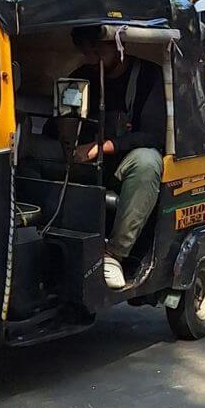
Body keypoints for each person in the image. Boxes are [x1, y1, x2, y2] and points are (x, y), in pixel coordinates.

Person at [66, 26, 166, 292]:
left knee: (148, 162)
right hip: (83, 160)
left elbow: (153, 135)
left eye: (97, 49)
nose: (91, 57)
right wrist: (65, 127)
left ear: (117, 46)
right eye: (85, 51)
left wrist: (104, 146)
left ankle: (114, 254)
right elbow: (60, 124)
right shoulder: (82, 76)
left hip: (122, 163)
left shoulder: (147, 76)